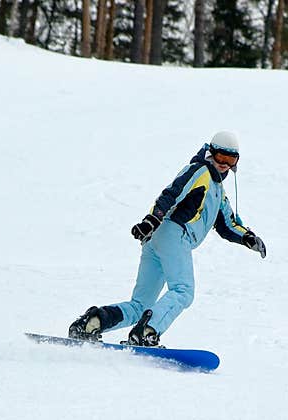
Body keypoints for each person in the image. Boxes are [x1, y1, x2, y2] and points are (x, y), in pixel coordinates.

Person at [68, 131, 267, 347]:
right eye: (220, 157)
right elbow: (171, 194)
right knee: (183, 291)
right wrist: (151, 220)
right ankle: (147, 331)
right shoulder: (200, 171)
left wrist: (247, 237)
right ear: (211, 153)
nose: (224, 164)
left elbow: (227, 223)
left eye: (231, 160)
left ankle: (93, 322)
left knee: (140, 305)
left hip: (158, 240)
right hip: (173, 234)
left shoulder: (217, 189)